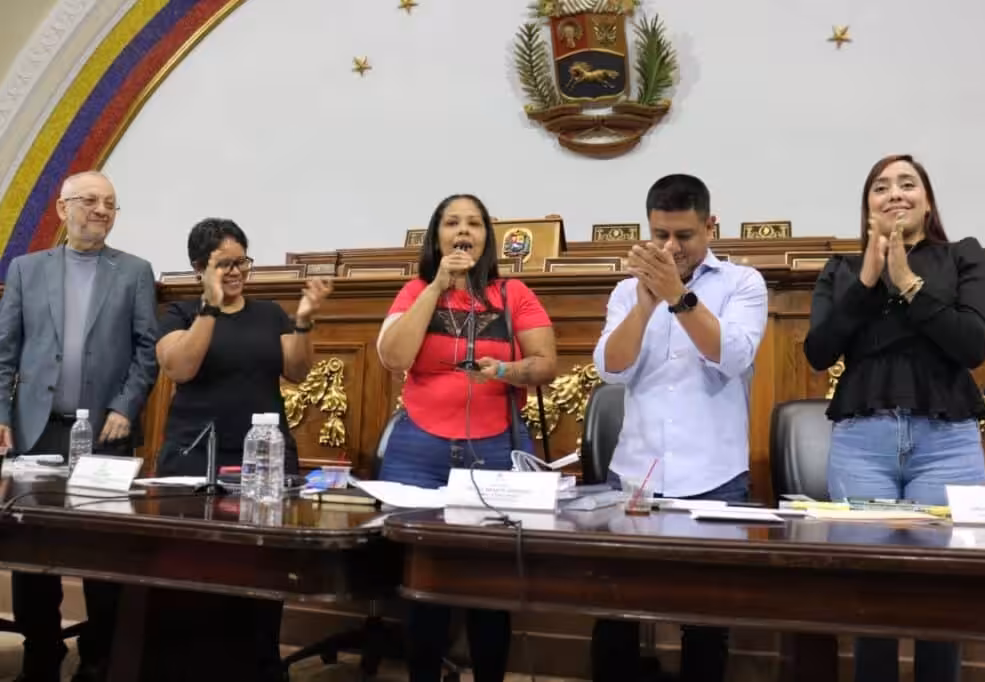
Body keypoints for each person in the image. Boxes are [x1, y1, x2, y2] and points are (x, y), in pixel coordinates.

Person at [804, 154, 985, 682]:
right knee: (873, 596)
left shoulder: (963, 258)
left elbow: (972, 345)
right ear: (867, 206)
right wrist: (868, 278)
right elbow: (819, 352)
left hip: (946, 443)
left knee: (941, 595)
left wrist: (907, 281)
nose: (895, 194)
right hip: (864, 444)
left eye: (908, 184)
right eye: (881, 187)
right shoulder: (841, 270)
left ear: (927, 200)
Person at [590, 174, 768, 682]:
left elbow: (731, 355)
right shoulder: (628, 290)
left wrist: (678, 296)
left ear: (711, 226)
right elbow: (611, 367)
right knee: (614, 612)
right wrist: (647, 305)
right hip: (634, 476)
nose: (671, 247)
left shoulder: (743, 284)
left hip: (714, 476)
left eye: (684, 236)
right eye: (660, 234)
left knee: (706, 621)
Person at [142, 217, 332, 681]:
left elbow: (297, 371)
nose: (235, 272)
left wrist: (304, 321)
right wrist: (209, 308)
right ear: (197, 269)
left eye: (241, 261)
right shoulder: (180, 314)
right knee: (192, 565)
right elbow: (181, 367)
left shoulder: (269, 313)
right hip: (194, 456)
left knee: (261, 567)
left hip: (264, 458)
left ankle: (258, 666)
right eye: (222, 263)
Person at [376, 194, 557, 682]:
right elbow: (394, 358)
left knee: (488, 586)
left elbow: (546, 364)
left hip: (494, 448)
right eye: (452, 223)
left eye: (474, 224)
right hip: (418, 451)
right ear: (437, 236)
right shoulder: (416, 290)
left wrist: (506, 369)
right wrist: (436, 286)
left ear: (486, 237)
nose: (463, 231)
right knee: (422, 581)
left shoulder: (513, 292)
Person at [0, 170, 159, 682]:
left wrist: (125, 407)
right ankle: (41, 651)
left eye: (110, 203)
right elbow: (4, 353)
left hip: (106, 436)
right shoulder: (26, 270)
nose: (101, 211)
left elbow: (145, 352)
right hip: (37, 430)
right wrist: (1, 416)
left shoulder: (134, 271)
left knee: (103, 549)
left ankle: (99, 656)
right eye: (90, 201)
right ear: (61, 209)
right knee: (32, 549)